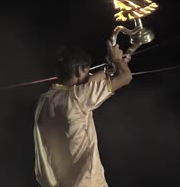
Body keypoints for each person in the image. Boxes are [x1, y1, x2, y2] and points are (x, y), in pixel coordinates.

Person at [33, 40, 132, 187]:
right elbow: (126, 77)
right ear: (79, 70)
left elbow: (87, 84)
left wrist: (110, 67)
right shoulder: (77, 98)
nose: (89, 74)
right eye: (87, 70)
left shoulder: (45, 100)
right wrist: (117, 60)